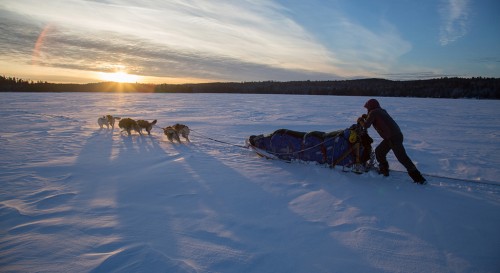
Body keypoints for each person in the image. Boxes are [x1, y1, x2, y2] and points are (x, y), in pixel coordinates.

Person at [357, 99, 426, 184]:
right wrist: (367, 117)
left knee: (403, 158)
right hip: (394, 136)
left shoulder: (374, 112)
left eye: (367, 108)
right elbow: (375, 119)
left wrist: (360, 120)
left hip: (393, 138)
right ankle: (384, 170)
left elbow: (366, 125)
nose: (367, 109)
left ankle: (419, 179)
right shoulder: (381, 111)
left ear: (370, 107)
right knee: (379, 152)